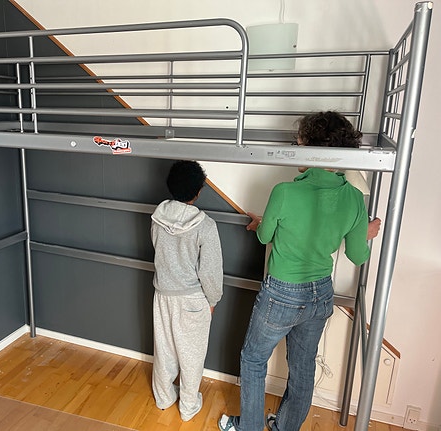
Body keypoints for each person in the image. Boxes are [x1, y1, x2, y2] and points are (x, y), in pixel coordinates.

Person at [218, 111, 382, 431]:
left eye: (299, 143)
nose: (296, 148)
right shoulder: (353, 198)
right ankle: (284, 427)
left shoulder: (285, 192)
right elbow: (357, 255)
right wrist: (365, 232)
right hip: (321, 292)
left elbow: (265, 237)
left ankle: (249, 428)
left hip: (282, 293)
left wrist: (262, 224)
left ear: (312, 148)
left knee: (253, 360)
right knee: (303, 366)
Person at [151, 160, 224, 422]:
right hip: (192, 298)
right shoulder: (206, 226)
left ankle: (163, 397)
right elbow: (211, 271)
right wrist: (213, 300)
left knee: (164, 349)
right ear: (199, 191)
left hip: (163, 294)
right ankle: (188, 406)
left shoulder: (157, 218)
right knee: (191, 354)